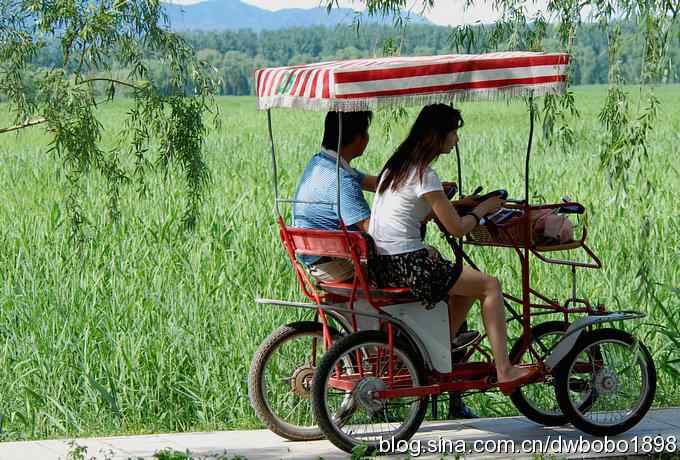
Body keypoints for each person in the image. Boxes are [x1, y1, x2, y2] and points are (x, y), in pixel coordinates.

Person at [368, 104, 538, 391]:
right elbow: (457, 229)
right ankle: (505, 369)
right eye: (454, 132)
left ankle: (433, 354)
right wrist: (483, 209)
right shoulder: (425, 174)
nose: (457, 139)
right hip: (410, 265)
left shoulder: (395, 167)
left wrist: (456, 206)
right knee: (490, 285)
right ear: (438, 135)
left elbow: (418, 211)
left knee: (467, 288)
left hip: (384, 263)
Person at [292, 111, 376, 282]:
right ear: (358, 138)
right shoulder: (342, 180)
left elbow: (371, 182)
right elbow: (374, 229)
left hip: (318, 263)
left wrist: (415, 185)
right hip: (340, 266)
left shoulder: (320, 163)